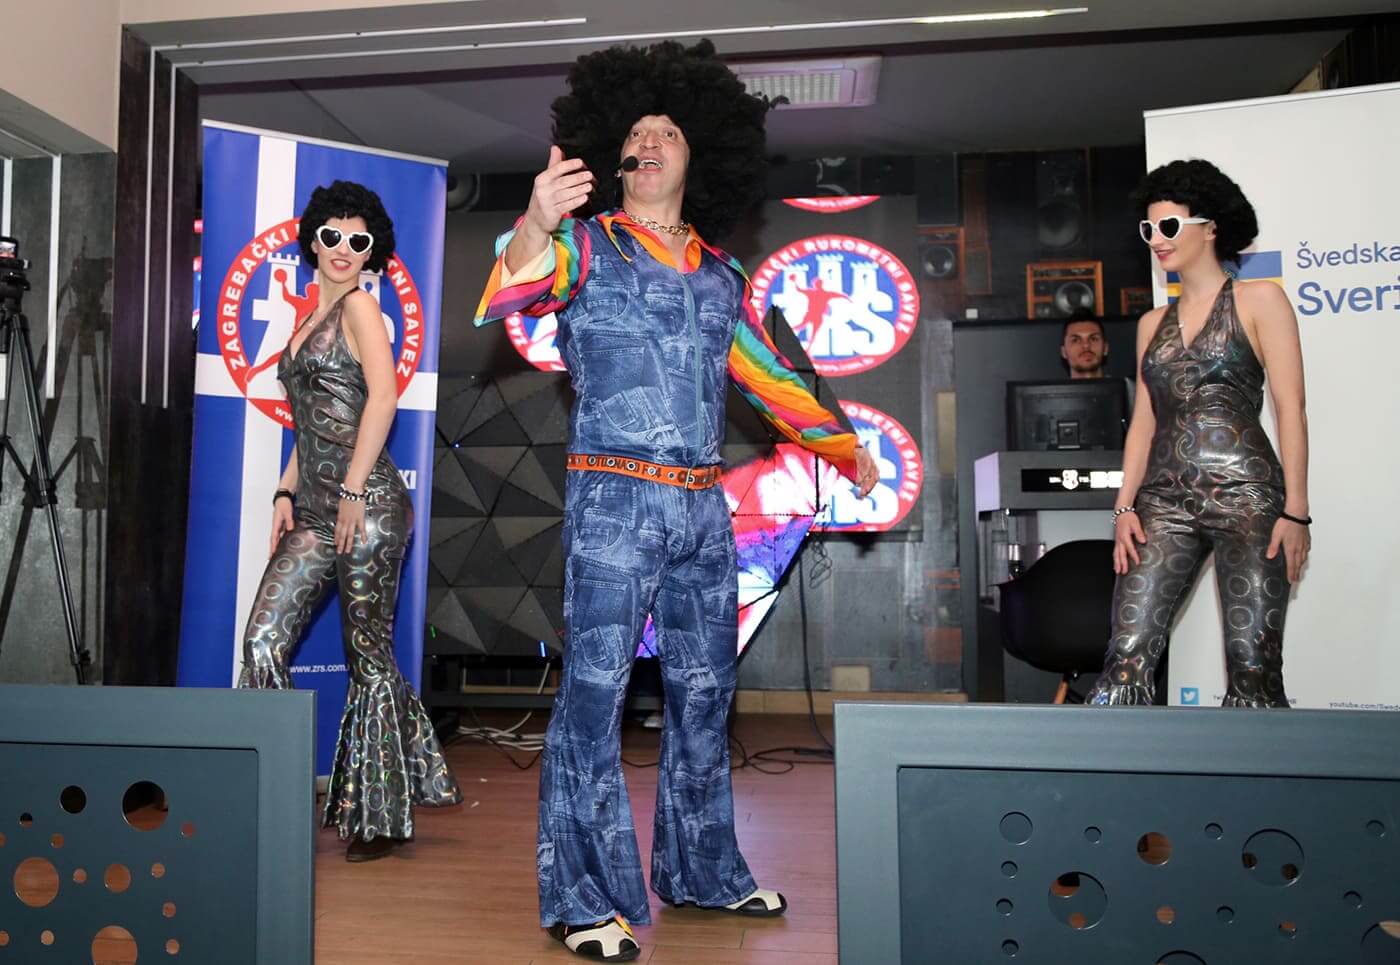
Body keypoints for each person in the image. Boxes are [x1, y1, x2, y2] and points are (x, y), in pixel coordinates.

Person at [474, 39, 878, 962]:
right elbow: (502, 296)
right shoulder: (580, 245)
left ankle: (704, 872)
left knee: (705, 696)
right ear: (614, 156)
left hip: (703, 511)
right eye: (638, 131)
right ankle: (583, 900)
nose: (651, 141)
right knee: (595, 695)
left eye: (670, 131)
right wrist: (536, 218)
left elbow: (769, 377)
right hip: (613, 502)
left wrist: (842, 445)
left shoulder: (721, 274)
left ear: (699, 157)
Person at [240, 180, 461, 861]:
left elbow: (383, 399)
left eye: (357, 240)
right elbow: (312, 424)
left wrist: (355, 489)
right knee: (262, 643)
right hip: (313, 508)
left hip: (368, 505)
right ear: (313, 240)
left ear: (372, 252)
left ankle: (379, 816)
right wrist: (284, 492)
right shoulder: (308, 316)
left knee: (368, 654)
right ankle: (276, 799)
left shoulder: (362, 306)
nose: (343, 248)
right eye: (331, 235)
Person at [1087, 159, 1310, 708]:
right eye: (1148, 228)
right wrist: (1124, 507)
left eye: (1169, 226)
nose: (1156, 240)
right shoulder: (1150, 324)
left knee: (1253, 664)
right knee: (1125, 655)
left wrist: (1297, 512)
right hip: (1163, 502)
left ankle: (1256, 765)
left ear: (1210, 228)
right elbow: (1144, 421)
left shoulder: (1260, 300)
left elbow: (1291, 408)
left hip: (1250, 500)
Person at [1060, 307, 1107, 379]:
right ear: (1064, 352)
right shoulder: (1050, 387)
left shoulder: (1124, 386)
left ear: (1105, 348)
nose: (1086, 345)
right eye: (1075, 340)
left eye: (1093, 339)